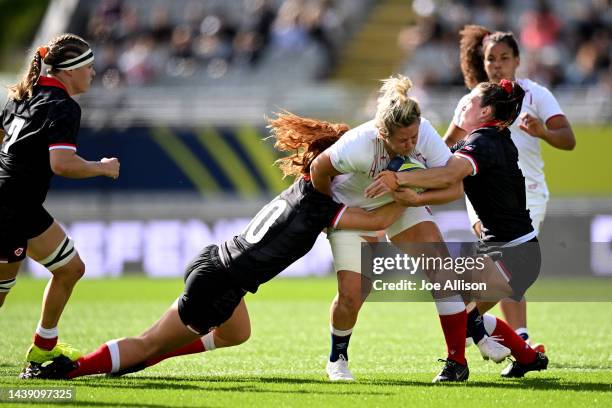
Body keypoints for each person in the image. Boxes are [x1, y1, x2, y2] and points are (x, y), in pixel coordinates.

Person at [21, 114, 408, 380]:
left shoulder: (303, 190)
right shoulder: (319, 207)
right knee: (147, 343)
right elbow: (376, 221)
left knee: (235, 334)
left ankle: (157, 351)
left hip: (219, 266)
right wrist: (411, 191)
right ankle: (65, 370)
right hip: (219, 282)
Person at [309, 74, 509, 383]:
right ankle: (337, 359)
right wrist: (327, 212)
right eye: (403, 140)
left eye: (413, 137)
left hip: (399, 204)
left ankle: (460, 359)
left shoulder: (423, 132)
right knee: (352, 294)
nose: (410, 145)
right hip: (356, 210)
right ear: (382, 133)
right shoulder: (360, 145)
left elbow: (454, 188)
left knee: (441, 268)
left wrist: (416, 198)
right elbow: (318, 169)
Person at [366, 79, 549, 379]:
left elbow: (450, 173)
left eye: (470, 101)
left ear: (486, 110)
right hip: (513, 250)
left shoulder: (483, 141)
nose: (463, 104)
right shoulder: (489, 138)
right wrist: (418, 194)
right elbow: (449, 177)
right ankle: (526, 356)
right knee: (465, 311)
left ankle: (457, 365)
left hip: (514, 254)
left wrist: (398, 180)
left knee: (451, 294)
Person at [444, 25, 575, 350]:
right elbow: (450, 142)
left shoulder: (536, 95)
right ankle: (512, 339)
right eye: (491, 58)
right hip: (484, 193)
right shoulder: (475, 100)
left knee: (507, 267)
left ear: (518, 59)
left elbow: (568, 140)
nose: (497, 64)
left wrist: (543, 132)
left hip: (528, 190)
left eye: (504, 57)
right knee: (502, 265)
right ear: (483, 61)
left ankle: (481, 330)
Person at [0, 34, 121, 370]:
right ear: (69, 71)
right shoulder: (64, 106)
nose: (93, 73)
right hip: (10, 210)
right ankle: (40, 355)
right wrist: (102, 168)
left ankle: (43, 349)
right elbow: (62, 164)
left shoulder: (23, 96)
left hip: (20, 207)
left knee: (70, 269)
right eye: (89, 67)